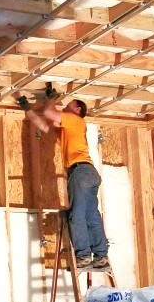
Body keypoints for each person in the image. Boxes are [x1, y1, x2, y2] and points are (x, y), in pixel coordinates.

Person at [29, 97, 110, 272]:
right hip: (89, 173)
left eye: (68, 105)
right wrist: (27, 109)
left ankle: (83, 257)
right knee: (92, 216)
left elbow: (49, 112)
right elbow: (45, 126)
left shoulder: (75, 119)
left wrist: (51, 98)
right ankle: (101, 256)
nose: (65, 107)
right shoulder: (69, 128)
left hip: (80, 172)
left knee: (77, 215)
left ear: (77, 109)